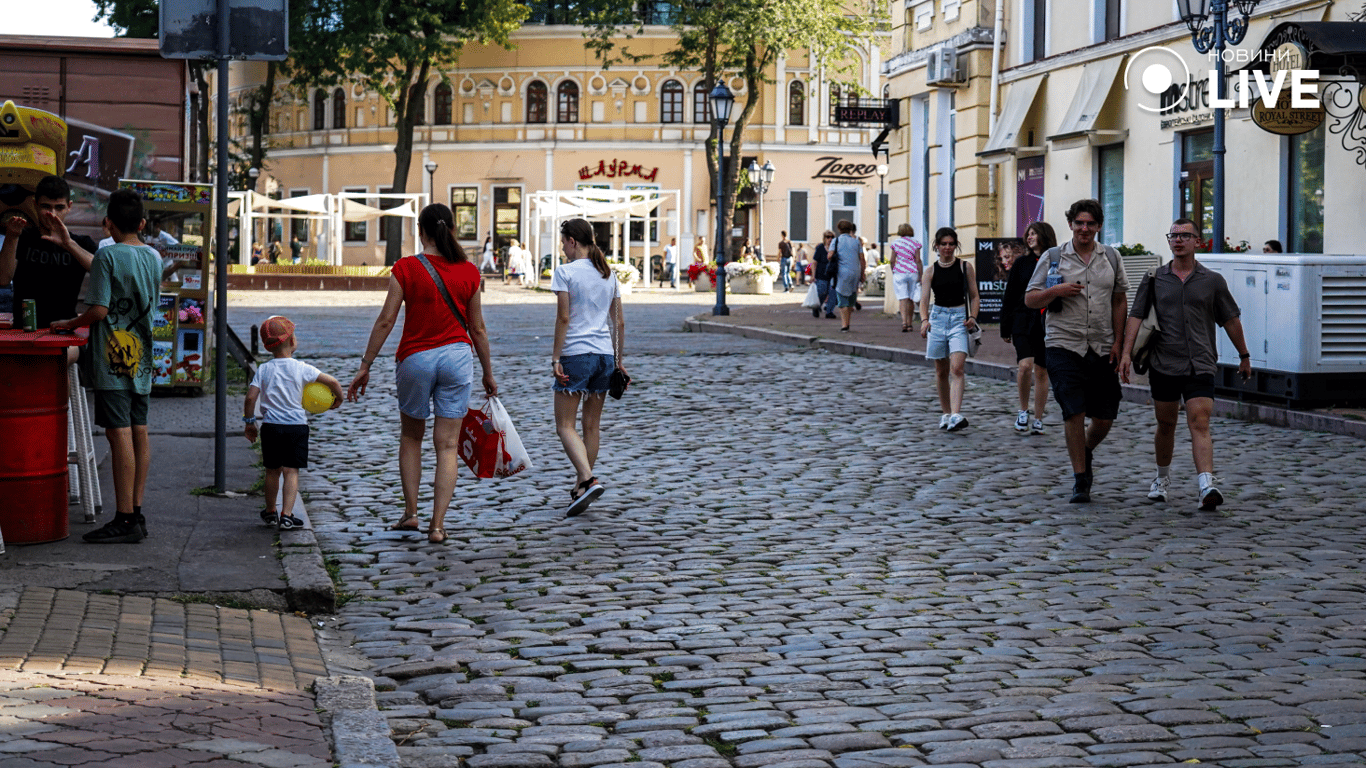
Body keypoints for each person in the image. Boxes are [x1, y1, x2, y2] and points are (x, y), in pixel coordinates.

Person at [347, 204, 498, 544]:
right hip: (457, 358)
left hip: (416, 358)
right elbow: (479, 329)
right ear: (452, 230)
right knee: (447, 446)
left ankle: (411, 513)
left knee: (411, 437)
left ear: (421, 231)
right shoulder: (469, 272)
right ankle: (438, 526)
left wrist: (365, 364)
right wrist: (488, 372)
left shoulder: (406, 267)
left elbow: (386, 320)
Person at [50, 189, 161, 543]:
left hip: (113, 358)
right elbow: (110, 271)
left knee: (119, 435)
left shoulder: (107, 255)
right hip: (142, 357)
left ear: (107, 222)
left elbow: (98, 310)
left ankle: (124, 519)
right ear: (142, 223)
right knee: (139, 430)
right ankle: (137, 512)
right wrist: (69, 243)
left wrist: (69, 323)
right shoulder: (154, 257)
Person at [1121, 218, 1252, 512]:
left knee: (1200, 421)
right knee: (1166, 424)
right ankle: (1162, 478)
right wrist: (1126, 353)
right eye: (1173, 236)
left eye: (1185, 236)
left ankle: (1207, 484)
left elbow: (1230, 319)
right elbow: (1136, 316)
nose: (1178, 240)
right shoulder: (1154, 278)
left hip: (1200, 362)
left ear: (1198, 242)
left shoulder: (1213, 281)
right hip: (1164, 363)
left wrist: (1244, 355)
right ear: (1169, 241)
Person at [1025, 199, 1128, 504]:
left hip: (1101, 343)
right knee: (1074, 409)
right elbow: (1030, 299)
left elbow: (1119, 300)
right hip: (1063, 343)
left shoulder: (1111, 256)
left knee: (1105, 415)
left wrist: (1119, 342)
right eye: (1079, 223)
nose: (1085, 229)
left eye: (1091, 224)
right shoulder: (1053, 257)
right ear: (1070, 224)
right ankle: (1080, 479)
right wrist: (1055, 291)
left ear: (1098, 226)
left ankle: (1083, 450)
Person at [551, 218, 628, 517]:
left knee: (564, 426)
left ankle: (586, 477)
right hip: (604, 357)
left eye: (563, 242)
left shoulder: (565, 272)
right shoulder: (608, 274)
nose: (563, 248)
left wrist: (556, 358)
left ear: (572, 241)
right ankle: (583, 487)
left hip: (576, 355)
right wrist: (619, 361)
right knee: (591, 426)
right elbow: (618, 322)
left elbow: (564, 319)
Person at [243, 315, 343, 530]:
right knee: (291, 471)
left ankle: (270, 512)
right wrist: (339, 397)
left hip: (271, 426)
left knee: (272, 470)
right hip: (296, 427)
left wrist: (250, 422)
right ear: (292, 341)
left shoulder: (264, 369)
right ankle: (287, 515)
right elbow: (332, 381)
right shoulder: (302, 368)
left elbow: (250, 398)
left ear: (268, 346)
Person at [0, 175, 97, 343]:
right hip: (25, 333)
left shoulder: (81, 243)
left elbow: (104, 272)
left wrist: (68, 244)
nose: (52, 214)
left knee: (69, 355)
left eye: (59, 207)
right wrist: (11, 237)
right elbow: (3, 279)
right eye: (46, 207)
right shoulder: (22, 238)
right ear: (35, 205)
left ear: (69, 207)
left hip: (64, 333)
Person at [919, 227, 979, 432]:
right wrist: (924, 320)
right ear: (936, 246)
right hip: (938, 318)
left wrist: (973, 316)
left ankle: (956, 414)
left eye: (951, 244)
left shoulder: (965, 267)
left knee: (957, 367)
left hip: (959, 320)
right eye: (943, 244)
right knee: (941, 370)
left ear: (956, 245)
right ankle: (946, 413)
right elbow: (924, 300)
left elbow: (974, 296)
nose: (947, 248)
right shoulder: (931, 271)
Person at [1002, 222, 1057, 435]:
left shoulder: (1056, 261)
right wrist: (1005, 326)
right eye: (1029, 234)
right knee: (1025, 365)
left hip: (1046, 320)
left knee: (1042, 370)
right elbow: (1010, 294)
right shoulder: (1021, 263)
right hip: (1022, 319)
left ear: (1044, 235)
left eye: (1034, 233)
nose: (1030, 237)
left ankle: (1039, 417)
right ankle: (1023, 410)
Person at [831, 220, 866, 332]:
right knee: (851, 297)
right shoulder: (856, 242)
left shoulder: (835, 241)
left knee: (842, 299)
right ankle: (848, 322)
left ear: (839, 229)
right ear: (851, 229)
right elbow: (862, 259)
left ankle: (844, 325)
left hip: (841, 273)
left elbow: (830, 255)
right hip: (855, 272)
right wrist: (862, 273)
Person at [889, 223, 922, 333]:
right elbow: (918, 260)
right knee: (911, 298)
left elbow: (892, 260)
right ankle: (910, 323)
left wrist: (894, 270)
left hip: (900, 272)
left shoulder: (895, 243)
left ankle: (904, 322)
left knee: (903, 298)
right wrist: (920, 275)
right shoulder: (915, 243)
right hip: (912, 271)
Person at [812, 230, 837, 319]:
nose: (830, 239)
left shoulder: (836, 249)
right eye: (828, 237)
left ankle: (829, 311)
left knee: (833, 293)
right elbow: (814, 262)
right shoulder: (820, 248)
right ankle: (817, 307)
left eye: (832, 237)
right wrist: (813, 276)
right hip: (821, 274)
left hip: (833, 275)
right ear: (824, 238)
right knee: (822, 292)